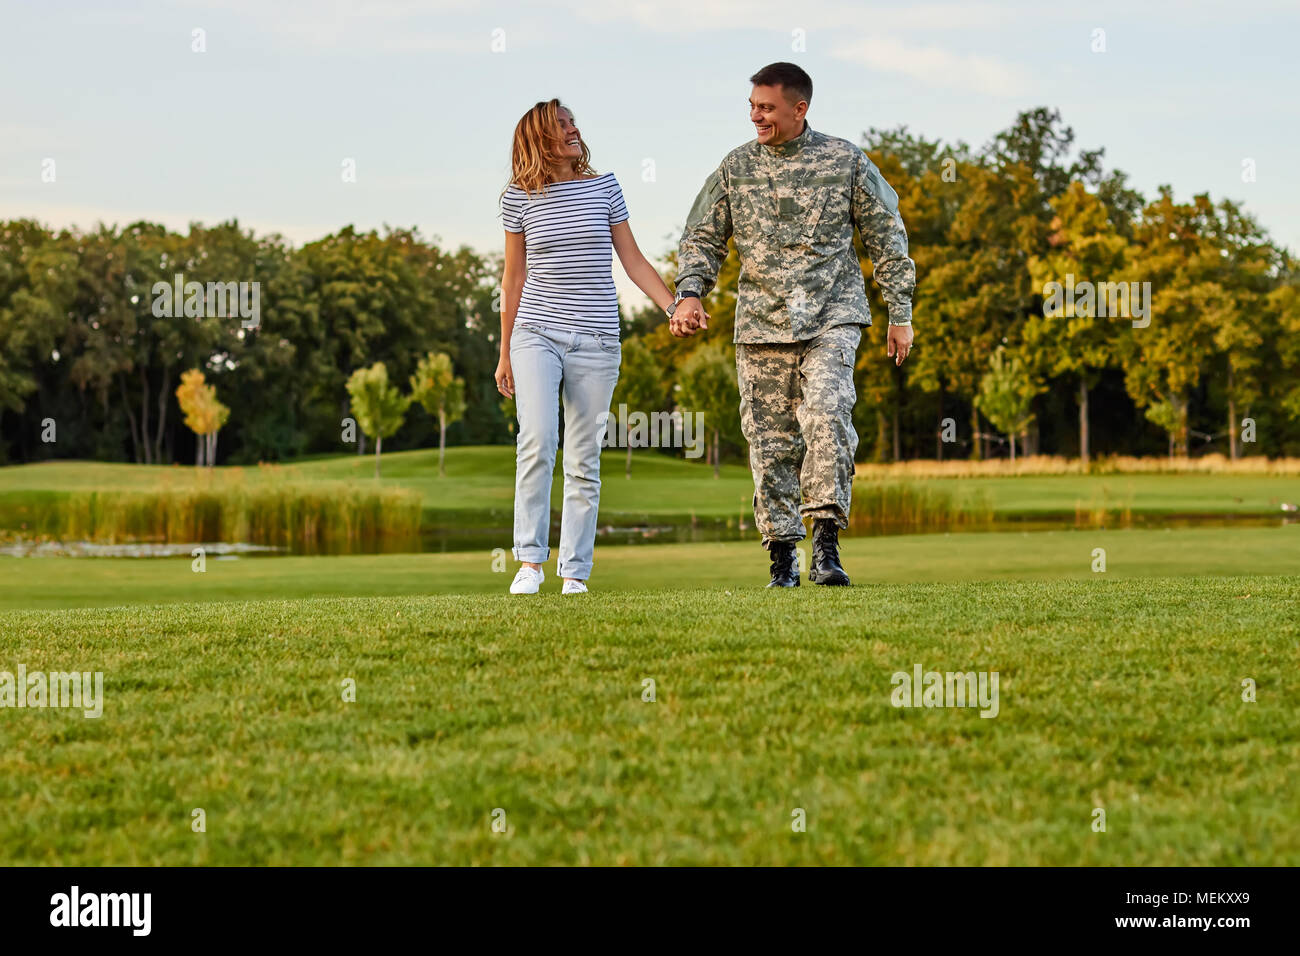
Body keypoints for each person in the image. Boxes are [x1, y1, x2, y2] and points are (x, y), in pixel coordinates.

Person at [670, 62, 916, 588]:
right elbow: (702, 239)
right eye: (752, 106)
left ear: (799, 108)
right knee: (769, 442)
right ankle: (782, 559)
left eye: (767, 107)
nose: (756, 115)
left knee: (827, 415)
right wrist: (689, 293)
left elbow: (887, 237)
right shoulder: (735, 167)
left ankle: (826, 547)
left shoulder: (845, 160)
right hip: (760, 325)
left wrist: (901, 314)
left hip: (833, 314)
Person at [495, 99, 694, 595]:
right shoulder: (517, 197)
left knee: (584, 458)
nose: (572, 129)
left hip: (597, 338)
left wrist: (674, 307)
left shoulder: (605, 187)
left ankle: (574, 573)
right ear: (539, 136)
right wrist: (504, 351)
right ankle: (529, 563)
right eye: (560, 124)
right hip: (536, 332)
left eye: (572, 122)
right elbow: (513, 277)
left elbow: (633, 260)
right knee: (538, 438)